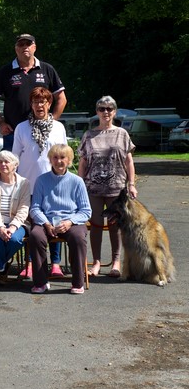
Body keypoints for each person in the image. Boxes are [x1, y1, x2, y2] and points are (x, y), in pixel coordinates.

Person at [78, 95, 138, 278]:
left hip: (116, 187)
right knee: (95, 225)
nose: (106, 112)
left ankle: (116, 262)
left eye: (109, 109)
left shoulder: (122, 133)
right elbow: (83, 162)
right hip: (93, 188)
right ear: (96, 112)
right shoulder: (89, 135)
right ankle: (96, 262)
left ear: (115, 111)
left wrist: (132, 184)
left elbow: (129, 161)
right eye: (102, 109)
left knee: (115, 225)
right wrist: (79, 185)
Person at [12, 87, 68, 278]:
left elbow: (65, 155)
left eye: (43, 101)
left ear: (49, 104)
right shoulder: (22, 128)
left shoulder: (58, 127)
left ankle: (56, 263)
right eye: (35, 102)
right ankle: (29, 263)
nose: (39, 105)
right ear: (31, 105)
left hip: (53, 185)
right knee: (30, 225)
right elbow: (14, 158)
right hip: (28, 184)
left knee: (55, 221)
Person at [29, 144, 91, 294]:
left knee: (77, 238)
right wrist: (46, 223)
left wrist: (70, 222)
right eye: (55, 157)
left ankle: (77, 282)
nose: (59, 161)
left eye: (63, 157)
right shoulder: (41, 180)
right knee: (35, 236)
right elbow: (35, 208)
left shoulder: (77, 181)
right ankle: (41, 282)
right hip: (47, 221)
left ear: (69, 160)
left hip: (71, 221)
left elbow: (86, 211)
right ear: (50, 160)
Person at [0, 34, 67, 150]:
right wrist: (1, 123)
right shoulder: (5, 72)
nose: (25, 47)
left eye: (28, 44)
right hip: (13, 131)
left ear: (34, 47)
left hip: (43, 131)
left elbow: (62, 98)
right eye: (21, 44)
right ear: (16, 48)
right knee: (12, 167)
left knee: (44, 165)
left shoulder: (47, 69)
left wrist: (53, 121)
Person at [0, 150, 30, 281]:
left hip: (17, 223)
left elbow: (24, 208)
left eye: (6, 162)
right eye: (0, 161)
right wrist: (0, 227)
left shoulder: (24, 183)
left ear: (15, 165)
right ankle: (3, 266)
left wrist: (13, 227)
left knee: (14, 239)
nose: (3, 164)